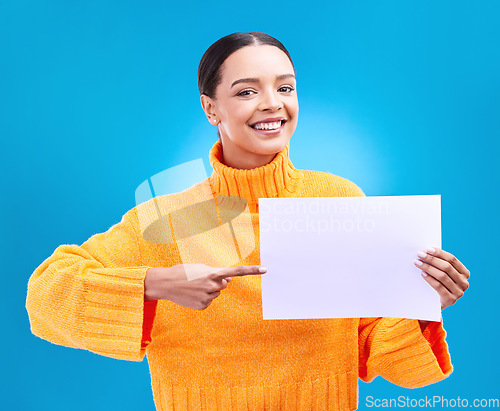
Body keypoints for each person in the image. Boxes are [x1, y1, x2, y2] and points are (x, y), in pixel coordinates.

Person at [26, 32, 470, 410]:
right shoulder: (170, 216)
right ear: (210, 108)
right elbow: (46, 295)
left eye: (286, 87)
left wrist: (424, 302)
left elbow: (372, 343)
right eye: (246, 91)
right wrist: (156, 283)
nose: (272, 104)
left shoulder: (338, 198)